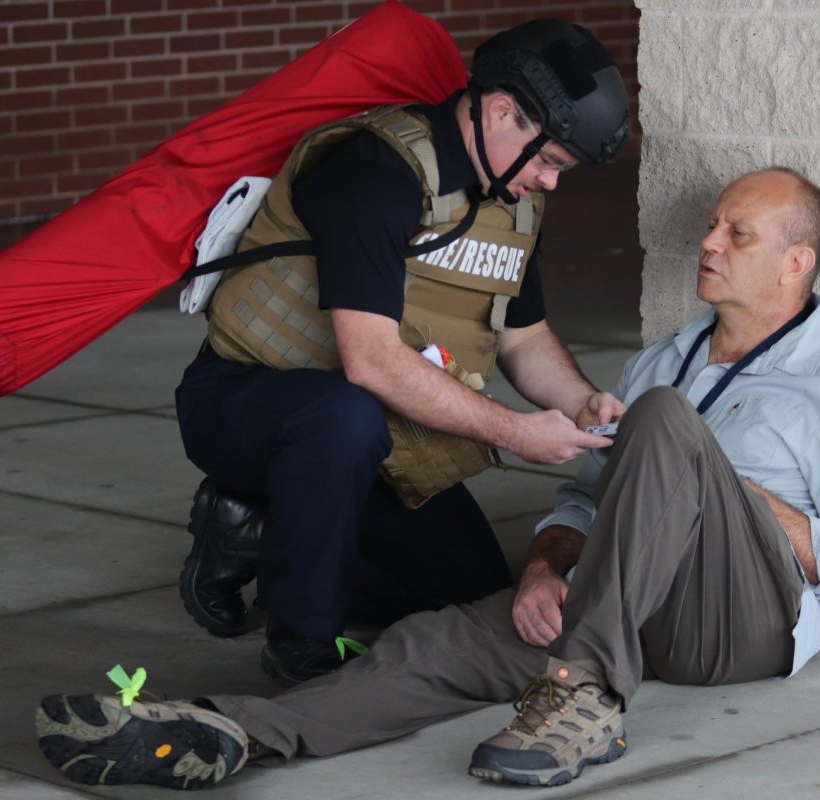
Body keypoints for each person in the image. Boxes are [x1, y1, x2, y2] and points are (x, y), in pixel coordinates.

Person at [36, 168, 820, 791]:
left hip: (739, 624)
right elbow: (586, 496)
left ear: (795, 264)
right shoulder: (666, 358)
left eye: (738, 233)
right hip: (622, 603)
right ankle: (225, 732)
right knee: (437, 641)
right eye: (713, 225)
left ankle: (583, 694)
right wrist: (547, 568)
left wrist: (733, 498)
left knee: (662, 427)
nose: (708, 241)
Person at [174, 19, 631, 686]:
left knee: (473, 595)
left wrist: (582, 401)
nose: (550, 183)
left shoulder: (511, 200)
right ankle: (301, 639)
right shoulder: (377, 172)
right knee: (341, 416)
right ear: (503, 111)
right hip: (247, 403)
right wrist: (515, 433)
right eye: (549, 162)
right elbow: (371, 362)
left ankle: (256, 532)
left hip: (371, 434)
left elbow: (524, 336)